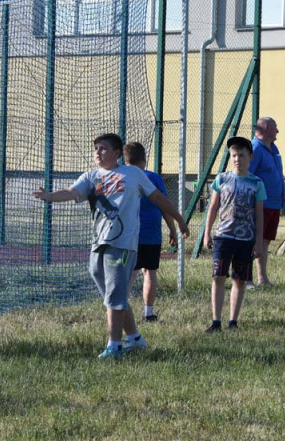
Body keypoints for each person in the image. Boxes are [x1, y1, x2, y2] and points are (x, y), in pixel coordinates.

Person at [34, 133, 189, 359]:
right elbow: (71, 192)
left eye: (103, 148)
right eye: (96, 148)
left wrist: (180, 221)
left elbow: (158, 199)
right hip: (98, 244)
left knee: (115, 296)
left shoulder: (132, 174)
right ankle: (135, 338)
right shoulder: (91, 177)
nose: (98, 152)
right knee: (112, 296)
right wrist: (49, 196)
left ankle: (114, 346)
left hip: (123, 244)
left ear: (117, 153)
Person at [202, 136, 266, 332]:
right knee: (218, 276)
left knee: (239, 279)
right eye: (234, 155)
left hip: (245, 239)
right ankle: (216, 321)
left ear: (250, 157)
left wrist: (258, 242)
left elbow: (259, 214)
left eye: (242, 155)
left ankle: (233, 321)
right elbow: (213, 208)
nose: (238, 159)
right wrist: (207, 233)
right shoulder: (222, 179)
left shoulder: (256, 183)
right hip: (224, 236)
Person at [122, 141, 179, 323]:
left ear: (125, 159)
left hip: (129, 235)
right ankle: (148, 313)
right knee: (150, 271)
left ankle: (119, 308)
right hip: (151, 235)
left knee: (129, 272)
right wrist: (172, 229)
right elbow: (163, 206)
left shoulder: (122, 177)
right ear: (144, 159)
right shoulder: (154, 178)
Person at [247, 116, 284, 287]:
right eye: (275, 127)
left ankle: (262, 278)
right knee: (253, 241)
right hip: (260, 204)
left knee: (265, 241)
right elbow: (247, 176)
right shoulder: (255, 148)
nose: (277, 131)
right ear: (267, 127)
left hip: (274, 203)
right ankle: (246, 277)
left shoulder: (273, 148)